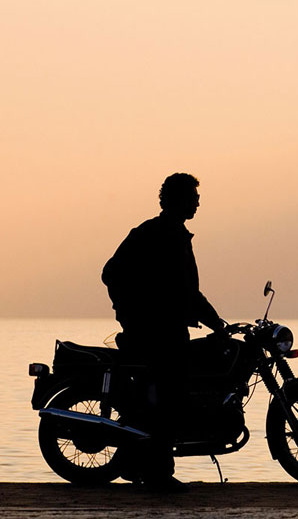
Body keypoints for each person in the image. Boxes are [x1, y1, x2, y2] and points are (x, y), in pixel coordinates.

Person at [102, 172, 226, 491]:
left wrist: (217, 323)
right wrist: (134, 313)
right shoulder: (152, 233)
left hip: (171, 328)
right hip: (156, 332)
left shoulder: (178, 236)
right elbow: (110, 273)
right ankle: (159, 474)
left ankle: (136, 463)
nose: (198, 202)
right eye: (192, 196)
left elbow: (190, 294)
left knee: (172, 394)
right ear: (176, 199)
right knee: (171, 396)